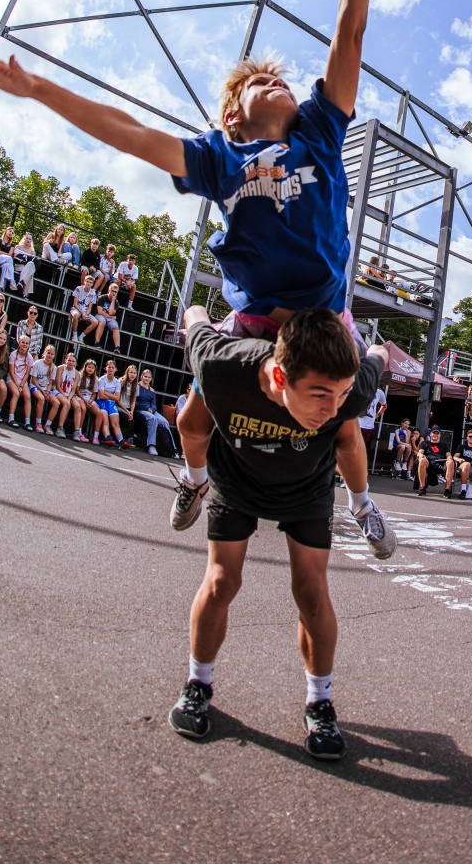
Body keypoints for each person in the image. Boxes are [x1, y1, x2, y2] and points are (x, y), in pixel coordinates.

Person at [0, 0, 394, 562]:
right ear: (232, 115)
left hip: (322, 318)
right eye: (260, 82)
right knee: (192, 421)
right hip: (254, 320)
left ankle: (362, 505)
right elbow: (133, 134)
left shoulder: (320, 134)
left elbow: (349, 34)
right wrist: (38, 89)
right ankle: (193, 481)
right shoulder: (219, 158)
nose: (278, 82)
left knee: (345, 427)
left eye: (284, 81)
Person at [167, 305, 389, 758]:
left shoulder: (347, 394)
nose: (330, 410)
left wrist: (359, 501)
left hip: (306, 485)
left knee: (312, 591)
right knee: (221, 581)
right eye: (320, 395)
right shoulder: (223, 365)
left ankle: (320, 701)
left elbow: (381, 354)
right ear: (282, 378)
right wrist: (197, 475)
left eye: (340, 395)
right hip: (237, 477)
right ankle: (197, 684)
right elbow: (195, 315)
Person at [134, 368, 173, 457]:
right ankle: (151, 445)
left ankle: (171, 448)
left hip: (151, 410)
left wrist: (152, 409)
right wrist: (146, 408)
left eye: (149, 377)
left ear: (151, 379)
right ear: (141, 376)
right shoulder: (137, 387)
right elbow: (135, 402)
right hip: (140, 409)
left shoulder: (151, 390)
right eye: (145, 376)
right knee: (153, 418)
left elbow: (154, 404)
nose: (147, 379)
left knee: (164, 422)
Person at [0, 334, 34, 427]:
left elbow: (27, 374)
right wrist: (17, 385)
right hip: (12, 379)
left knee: (27, 396)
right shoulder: (13, 354)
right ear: (19, 343)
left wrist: (22, 385)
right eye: (23, 342)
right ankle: (11, 418)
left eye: (27, 343)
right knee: (16, 393)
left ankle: (27, 422)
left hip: (22, 381)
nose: (24, 345)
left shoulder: (30, 358)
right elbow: (11, 371)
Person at [29, 344, 61, 435]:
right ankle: (38, 423)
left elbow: (50, 383)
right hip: (35, 386)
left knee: (56, 403)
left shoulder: (54, 367)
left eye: (52, 354)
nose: (50, 355)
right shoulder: (37, 363)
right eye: (48, 353)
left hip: (46, 389)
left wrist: (47, 391)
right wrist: (42, 391)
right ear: (44, 353)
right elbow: (33, 380)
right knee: (41, 398)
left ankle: (47, 425)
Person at [94, 358, 126, 446]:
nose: (111, 369)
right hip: (102, 401)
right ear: (106, 368)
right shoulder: (102, 380)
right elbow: (101, 395)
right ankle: (108, 437)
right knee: (105, 421)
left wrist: (106, 392)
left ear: (116, 369)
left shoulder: (117, 382)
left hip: (111, 402)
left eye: (113, 367)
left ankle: (121, 440)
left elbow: (117, 397)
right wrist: (111, 396)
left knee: (115, 423)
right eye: (109, 367)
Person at [75, 358, 107, 443]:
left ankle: (95, 437)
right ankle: (79, 432)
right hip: (80, 397)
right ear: (85, 367)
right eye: (89, 367)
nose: (90, 369)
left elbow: (94, 393)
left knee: (99, 413)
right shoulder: (80, 375)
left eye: (92, 368)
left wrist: (90, 401)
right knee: (83, 408)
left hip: (89, 399)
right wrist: (84, 400)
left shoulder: (95, 379)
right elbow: (77, 390)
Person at [415, 425, 453, 496]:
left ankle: (447, 490)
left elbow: (448, 455)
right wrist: (421, 455)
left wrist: (449, 458)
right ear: (431, 434)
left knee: (450, 462)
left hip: (440, 463)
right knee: (422, 460)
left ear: (440, 435)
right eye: (434, 433)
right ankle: (422, 487)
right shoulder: (425, 443)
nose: (435, 435)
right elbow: (419, 453)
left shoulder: (444, 444)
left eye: (437, 433)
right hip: (429, 463)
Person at [357, 381, 387, 467]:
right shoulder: (359, 388)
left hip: (369, 426)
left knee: (365, 450)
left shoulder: (379, 392)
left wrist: (378, 414)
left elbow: (384, 405)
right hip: (357, 424)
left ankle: (361, 470)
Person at [54, 351, 81, 439]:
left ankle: (76, 431)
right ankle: (60, 428)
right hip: (59, 391)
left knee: (77, 406)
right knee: (67, 404)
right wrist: (65, 397)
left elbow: (73, 390)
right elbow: (58, 386)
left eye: (73, 361)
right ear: (65, 360)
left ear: (76, 363)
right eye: (69, 360)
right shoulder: (60, 368)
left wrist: (69, 397)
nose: (71, 362)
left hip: (69, 394)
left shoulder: (77, 374)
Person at [70, 273, 101, 344]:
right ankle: (74, 336)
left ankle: (81, 337)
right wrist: (82, 313)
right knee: (75, 315)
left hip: (85, 311)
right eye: (87, 281)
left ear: (92, 284)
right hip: (77, 309)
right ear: (84, 282)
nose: (88, 283)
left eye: (90, 282)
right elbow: (75, 304)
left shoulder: (93, 293)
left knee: (95, 322)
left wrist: (86, 314)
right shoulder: (78, 288)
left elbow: (90, 307)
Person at [94, 281, 122, 351]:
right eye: (113, 291)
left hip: (109, 317)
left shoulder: (116, 302)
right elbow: (100, 311)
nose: (114, 293)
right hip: (100, 315)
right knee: (102, 322)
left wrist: (113, 301)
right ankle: (97, 342)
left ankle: (117, 347)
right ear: (109, 290)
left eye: (116, 292)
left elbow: (111, 313)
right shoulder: (102, 298)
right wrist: (110, 316)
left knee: (115, 327)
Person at [117, 364, 139, 444]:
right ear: (127, 373)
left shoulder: (136, 385)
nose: (132, 375)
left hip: (128, 407)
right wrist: (126, 411)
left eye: (134, 373)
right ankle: (119, 438)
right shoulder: (121, 381)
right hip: (119, 405)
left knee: (134, 417)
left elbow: (133, 400)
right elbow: (117, 398)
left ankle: (131, 439)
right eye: (131, 372)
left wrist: (131, 412)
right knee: (124, 417)